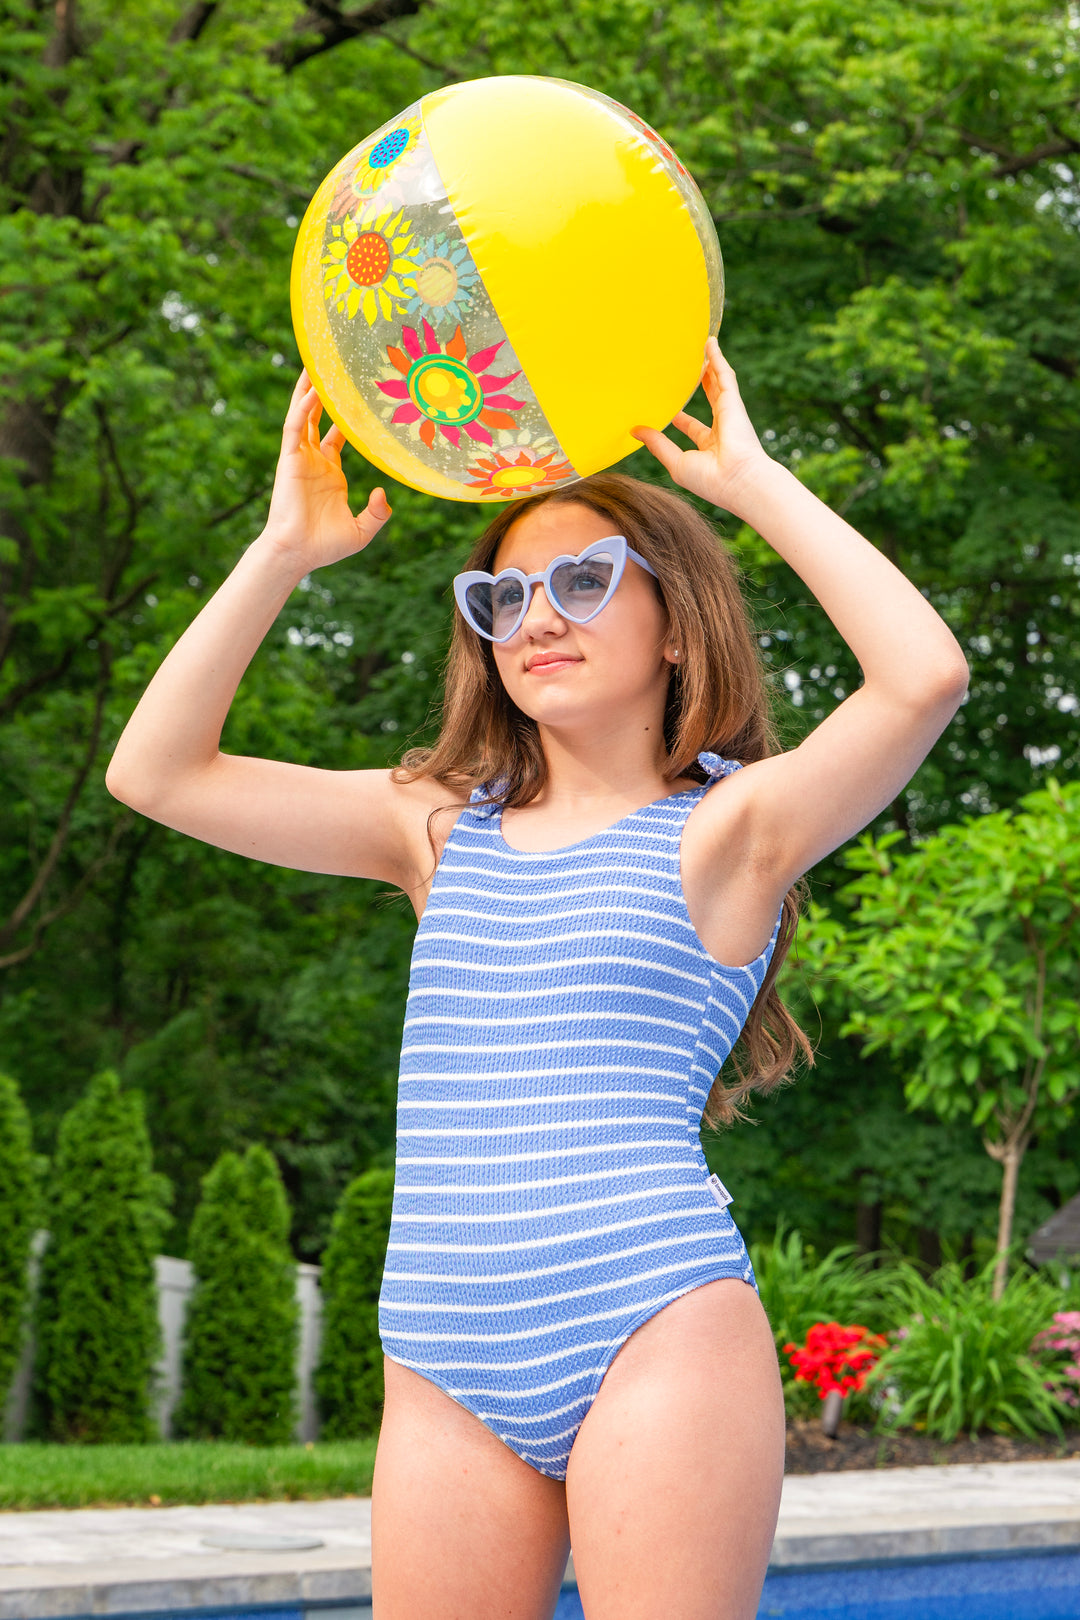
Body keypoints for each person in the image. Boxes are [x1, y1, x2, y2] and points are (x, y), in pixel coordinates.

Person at [106, 337, 968, 1620]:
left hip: (653, 1319)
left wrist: (758, 483)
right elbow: (157, 774)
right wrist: (280, 550)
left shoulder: (733, 832)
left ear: (676, 622)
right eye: (504, 597)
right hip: (446, 1343)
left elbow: (925, 675)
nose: (538, 616)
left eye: (581, 579)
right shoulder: (435, 823)